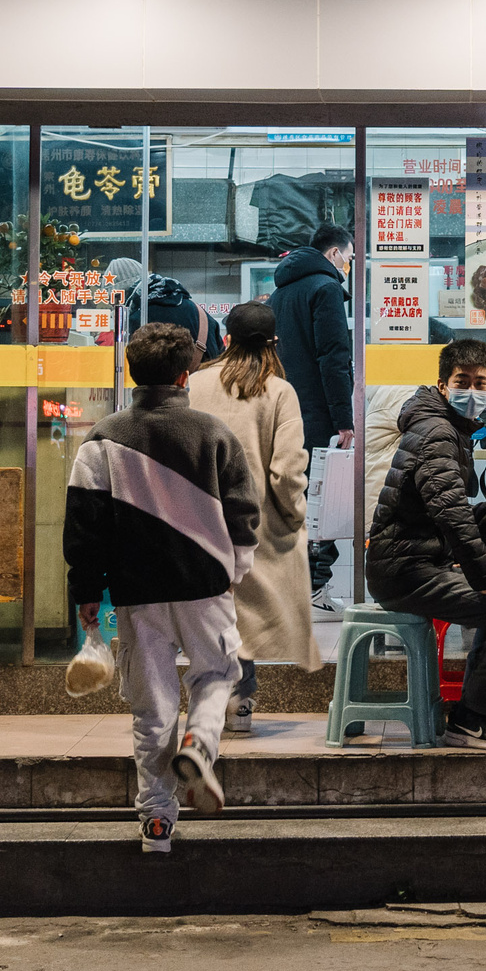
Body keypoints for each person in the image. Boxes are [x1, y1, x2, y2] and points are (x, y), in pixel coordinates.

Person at [64, 322, 262, 856]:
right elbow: (244, 512)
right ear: (184, 375)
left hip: (136, 592)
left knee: (151, 710)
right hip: (205, 587)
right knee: (217, 675)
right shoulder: (214, 433)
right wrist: (235, 569)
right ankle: (199, 744)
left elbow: (84, 524)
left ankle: (157, 822)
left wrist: (87, 590)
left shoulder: (102, 438)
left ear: (131, 372)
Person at [366, 339, 486, 750]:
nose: (473, 391)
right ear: (443, 385)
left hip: (413, 562)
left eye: (482, 383)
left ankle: (479, 710)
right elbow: (449, 512)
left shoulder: (445, 426)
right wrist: (481, 576)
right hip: (404, 572)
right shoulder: (438, 432)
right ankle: (473, 720)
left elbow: (437, 511)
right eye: (463, 381)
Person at [187, 301, 318, 737]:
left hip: (199, 522)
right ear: (275, 344)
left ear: (225, 339)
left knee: (216, 613)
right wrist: (294, 516)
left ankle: (211, 701)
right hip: (256, 525)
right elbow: (287, 470)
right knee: (248, 615)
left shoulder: (194, 384)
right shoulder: (279, 391)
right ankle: (240, 702)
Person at [272, 223, 356, 608]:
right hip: (319, 415)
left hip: (285, 412)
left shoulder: (281, 292)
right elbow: (334, 357)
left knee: (294, 501)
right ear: (334, 254)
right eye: (350, 258)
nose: (349, 266)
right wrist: (344, 418)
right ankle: (314, 590)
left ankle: (294, 588)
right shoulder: (325, 290)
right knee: (324, 501)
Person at [106, 258, 224, 361]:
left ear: (125, 294)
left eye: (114, 302)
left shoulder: (138, 319)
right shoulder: (198, 311)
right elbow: (221, 356)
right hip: (207, 384)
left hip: (166, 386)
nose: (114, 309)